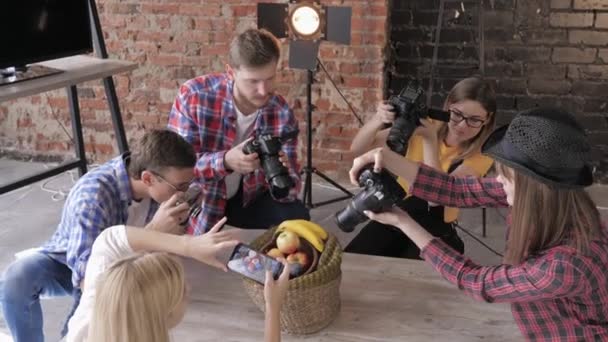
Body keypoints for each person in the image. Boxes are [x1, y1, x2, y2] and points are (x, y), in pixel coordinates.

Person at [349, 107, 608, 340]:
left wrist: (404, 222)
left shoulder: (564, 265)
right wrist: (384, 157)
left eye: (506, 177)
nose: (498, 181)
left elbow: (476, 281)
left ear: (534, 189)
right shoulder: (560, 204)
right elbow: (456, 190)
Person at [0, 129, 197, 342]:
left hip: (127, 264)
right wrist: (154, 233)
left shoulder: (158, 189)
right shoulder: (93, 197)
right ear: (148, 178)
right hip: (73, 264)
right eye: (180, 186)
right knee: (17, 279)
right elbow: (89, 280)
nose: (183, 193)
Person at [167, 28, 310, 235]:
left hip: (248, 197)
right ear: (231, 72)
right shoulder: (194, 96)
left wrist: (281, 172)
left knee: (298, 220)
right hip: (203, 196)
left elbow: (292, 186)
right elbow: (175, 169)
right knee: (196, 250)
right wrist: (225, 161)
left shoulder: (280, 111)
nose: (263, 90)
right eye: (253, 81)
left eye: (269, 78)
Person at [67, 217, 291, 342]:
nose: (189, 286)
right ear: (164, 315)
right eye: (183, 291)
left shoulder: (91, 311)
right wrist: (273, 307)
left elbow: (109, 240)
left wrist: (189, 245)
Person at [346, 77, 497, 259]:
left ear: (487, 119)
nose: (462, 125)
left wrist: (430, 140)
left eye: (475, 120)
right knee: (354, 258)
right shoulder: (429, 125)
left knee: (411, 277)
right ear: (448, 106)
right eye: (457, 114)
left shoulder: (483, 154)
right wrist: (378, 119)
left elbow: (440, 196)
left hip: (435, 226)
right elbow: (358, 149)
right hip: (399, 210)